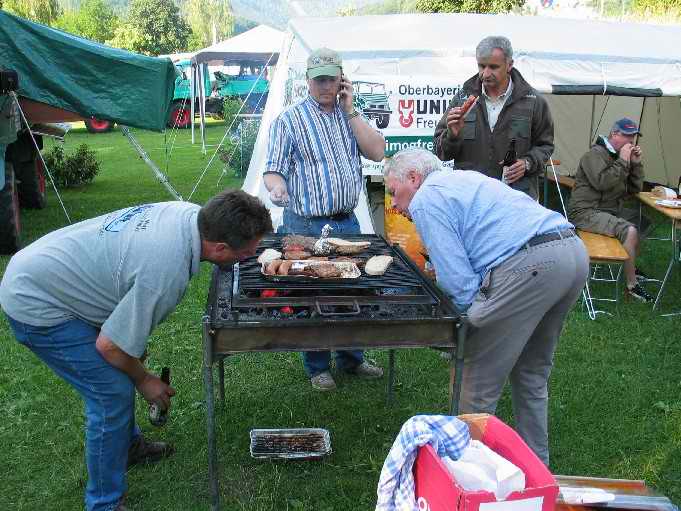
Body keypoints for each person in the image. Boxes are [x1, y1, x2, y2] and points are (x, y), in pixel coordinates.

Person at [0, 190, 272, 511]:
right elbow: (110, 346)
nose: (249, 258)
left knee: (118, 371)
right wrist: (144, 380)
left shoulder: (190, 215)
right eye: (246, 253)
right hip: (36, 299)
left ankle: (127, 447)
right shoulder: (165, 271)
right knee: (111, 393)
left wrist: (131, 352)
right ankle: (104, 504)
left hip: (49, 268)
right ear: (220, 248)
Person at [383, 148, 589, 465]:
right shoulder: (461, 180)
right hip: (571, 252)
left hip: (531, 265)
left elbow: (459, 285)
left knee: (473, 382)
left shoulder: (426, 198)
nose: (395, 205)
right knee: (531, 374)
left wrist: (467, 332)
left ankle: (469, 475)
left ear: (414, 178)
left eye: (394, 192)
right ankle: (537, 471)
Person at [263, 47, 386, 392]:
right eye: (319, 80)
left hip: (347, 222)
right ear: (307, 81)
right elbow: (273, 170)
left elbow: (377, 152)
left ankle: (352, 358)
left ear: (342, 79)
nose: (325, 86)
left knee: (352, 290)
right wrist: (277, 188)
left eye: (331, 79)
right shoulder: (289, 121)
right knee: (312, 297)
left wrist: (351, 111)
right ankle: (318, 366)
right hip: (305, 225)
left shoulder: (351, 116)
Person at [433, 36, 554, 199]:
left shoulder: (533, 101)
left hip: (514, 198)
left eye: (493, 67)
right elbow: (441, 153)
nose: (486, 73)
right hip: (470, 198)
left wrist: (527, 163)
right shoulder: (462, 98)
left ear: (509, 65)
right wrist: (452, 135)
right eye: (481, 66)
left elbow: (545, 145)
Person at [567, 118, 652, 302]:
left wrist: (635, 164)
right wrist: (623, 161)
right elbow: (603, 183)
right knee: (630, 231)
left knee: (641, 220)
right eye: (627, 136)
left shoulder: (619, 156)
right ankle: (632, 285)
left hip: (607, 210)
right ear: (614, 134)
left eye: (633, 136)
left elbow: (634, 189)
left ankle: (629, 263)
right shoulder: (594, 155)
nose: (631, 141)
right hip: (585, 212)